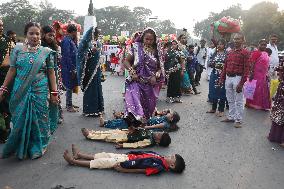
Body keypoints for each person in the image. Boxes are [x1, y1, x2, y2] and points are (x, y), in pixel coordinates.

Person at [0, 22, 59, 159]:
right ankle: (21, 145)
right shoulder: (18, 50)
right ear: (26, 34)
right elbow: (12, 70)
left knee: (40, 119)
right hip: (20, 90)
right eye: (31, 33)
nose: (34, 36)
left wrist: (54, 93)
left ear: (41, 35)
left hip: (40, 90)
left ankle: (38, 145)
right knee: (20, 118)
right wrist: (3, 88)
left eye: (37, 33)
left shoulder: (46, 52)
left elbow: (51, 73)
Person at [63, 144, 185, 175]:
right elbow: (144, 153)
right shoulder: (160, 158)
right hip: (127, 157)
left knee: (102, 163)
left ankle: (74, 162)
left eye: (171, 158)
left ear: (172, 166)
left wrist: (123, 170)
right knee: (104, 155)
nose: (169, 156)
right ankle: (80, 155)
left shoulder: (158, 167)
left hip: (125, 163)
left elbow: (141, 170)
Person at [123, 28, 162, 120]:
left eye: (151, 40)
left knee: (148, 108)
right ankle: (134, 119)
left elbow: (161, 68)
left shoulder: (157, 51)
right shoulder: (136, 47)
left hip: (149, 83)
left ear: (154, 40)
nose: (148, 42)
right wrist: (132, 72)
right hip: (136, 80)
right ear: (142, 38)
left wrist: (156, 75)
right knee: (133, 100)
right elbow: (126, 61)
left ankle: (142, 122)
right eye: (146, 39)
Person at [219, 33, 250, 128]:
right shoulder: (230, 52)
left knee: (239, 100)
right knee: (230, 99)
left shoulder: (245, 53)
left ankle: (238, 120)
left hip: (238, 78)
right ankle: (231, 117)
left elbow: (246, 69)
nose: (236, 41)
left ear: (243, 40)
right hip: (228, 78)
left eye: (238, 39)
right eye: (235, 39)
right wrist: (222, 78)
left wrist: (241, 83)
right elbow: (225, 66)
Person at [77, 27, 104, 117]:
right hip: (88, 71)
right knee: (90, 89)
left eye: (98, 34)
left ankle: (98, 109)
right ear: (92, 33)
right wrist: (90, 52)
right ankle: (89, 110)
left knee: (97, 88)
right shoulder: (85, 43)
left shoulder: (98, 42)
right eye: (96, 34)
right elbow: (80, 55)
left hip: (96, 70)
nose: (97, 36)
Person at [41, 25, 64, 124]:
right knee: (46, 95)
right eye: (49, 35)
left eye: (53, 36)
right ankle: (45, 117)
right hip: (44, 74)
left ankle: (57, 114)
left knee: (55, 93)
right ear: (43, 34)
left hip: (54, 73)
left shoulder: (55, 46)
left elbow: (58, 61)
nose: (51, 37)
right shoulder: (40, 46)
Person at [81, 127, 171, 149]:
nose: (158, 133)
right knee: (110, 132)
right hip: (127, 132)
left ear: (158, 141)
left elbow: (136, 145)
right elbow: (141, 130)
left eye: (160, 135)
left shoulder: (149, 141)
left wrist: (123, 145)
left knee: (107, 136)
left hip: (125, 138)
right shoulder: (151, 133)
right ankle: (94, 132)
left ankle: (90, 136)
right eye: (160, 132)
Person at [245, 39, 271, 110]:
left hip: (263, 75)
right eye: (261, 44)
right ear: (258, 45)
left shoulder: (266, 53)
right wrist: (251, 73)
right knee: (254, 89)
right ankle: (251, 104)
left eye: (265, 45)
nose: (263, 46)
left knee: (263, 89)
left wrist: (267, 74)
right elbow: (252, 64)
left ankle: (262, 105)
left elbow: (267, 65)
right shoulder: (256, 52)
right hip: (256, 74)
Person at [99, 110, 180, 132]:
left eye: (170, 114)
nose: (168, 113)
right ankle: (106, 122)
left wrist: (142, 127)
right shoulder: (164, 118)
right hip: (144, 122)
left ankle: (105, 124)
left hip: (144, 126)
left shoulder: (165, 124)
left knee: (126, 123)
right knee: (126, 119)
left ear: (171, 118)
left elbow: (153, 126)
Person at [207, 39, 227, 117]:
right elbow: (210, 63)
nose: (219, 45)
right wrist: (212, 63)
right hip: (214, 74)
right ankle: (213, 108)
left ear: (224, 45)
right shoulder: (214, 53)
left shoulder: (227, 54)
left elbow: (227, 64)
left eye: (221, 44)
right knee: (213, 91)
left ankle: (221, 110)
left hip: (223, 75)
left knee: (222, 92)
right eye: (218, 44)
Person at [61, 24, 79, 112]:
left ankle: (70, 103)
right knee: (69, 85)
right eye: (76, 32)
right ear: (73, 32)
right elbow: (67, 56)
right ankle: (69, 105)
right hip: (68, 67)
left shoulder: (70, 40)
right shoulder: (66, 41)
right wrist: (72, 68)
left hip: (71, 66)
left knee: (71, 85)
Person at [0, 18, 11, 143]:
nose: (1, 28)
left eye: (2, 25)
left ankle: (5, 133)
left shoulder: (6, 40)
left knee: (5, 105)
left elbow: (8, 62)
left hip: (4, 77)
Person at [267, 65, 284, 147]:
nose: (279, 73)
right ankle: (274, 136)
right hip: (280, 96)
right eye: (279, 72)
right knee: (277, 115)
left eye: (281, 72)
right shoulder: (281, 80)